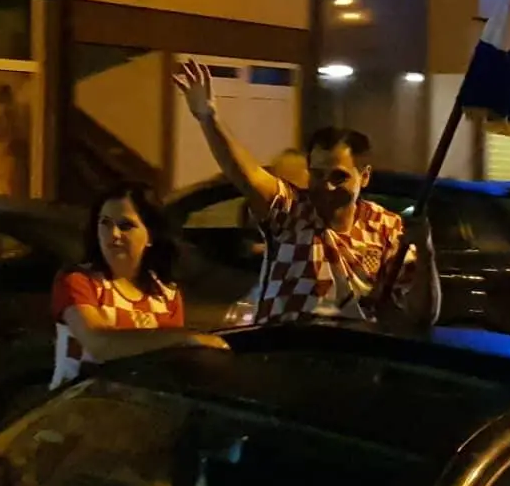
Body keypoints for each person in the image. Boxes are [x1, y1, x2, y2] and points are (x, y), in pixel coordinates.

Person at [173, 59, 440, 332]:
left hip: (352, 355)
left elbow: (423, 315)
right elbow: (245, 175)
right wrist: (208, 117)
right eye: (317, 174)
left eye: (339, 177)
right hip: (286, 351)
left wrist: (425, 251)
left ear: (365, 176)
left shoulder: (386, 227)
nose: (326, 186)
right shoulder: (293, 212)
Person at [50, 182, 227, 388]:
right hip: (81, 402)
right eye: (105, 223)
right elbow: (98, 344)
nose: (113, 234)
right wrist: (183, 337)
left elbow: (170, 359)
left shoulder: (167, 294)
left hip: (137, 402)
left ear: (150, 235)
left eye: (125, 225)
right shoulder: (78, 279)